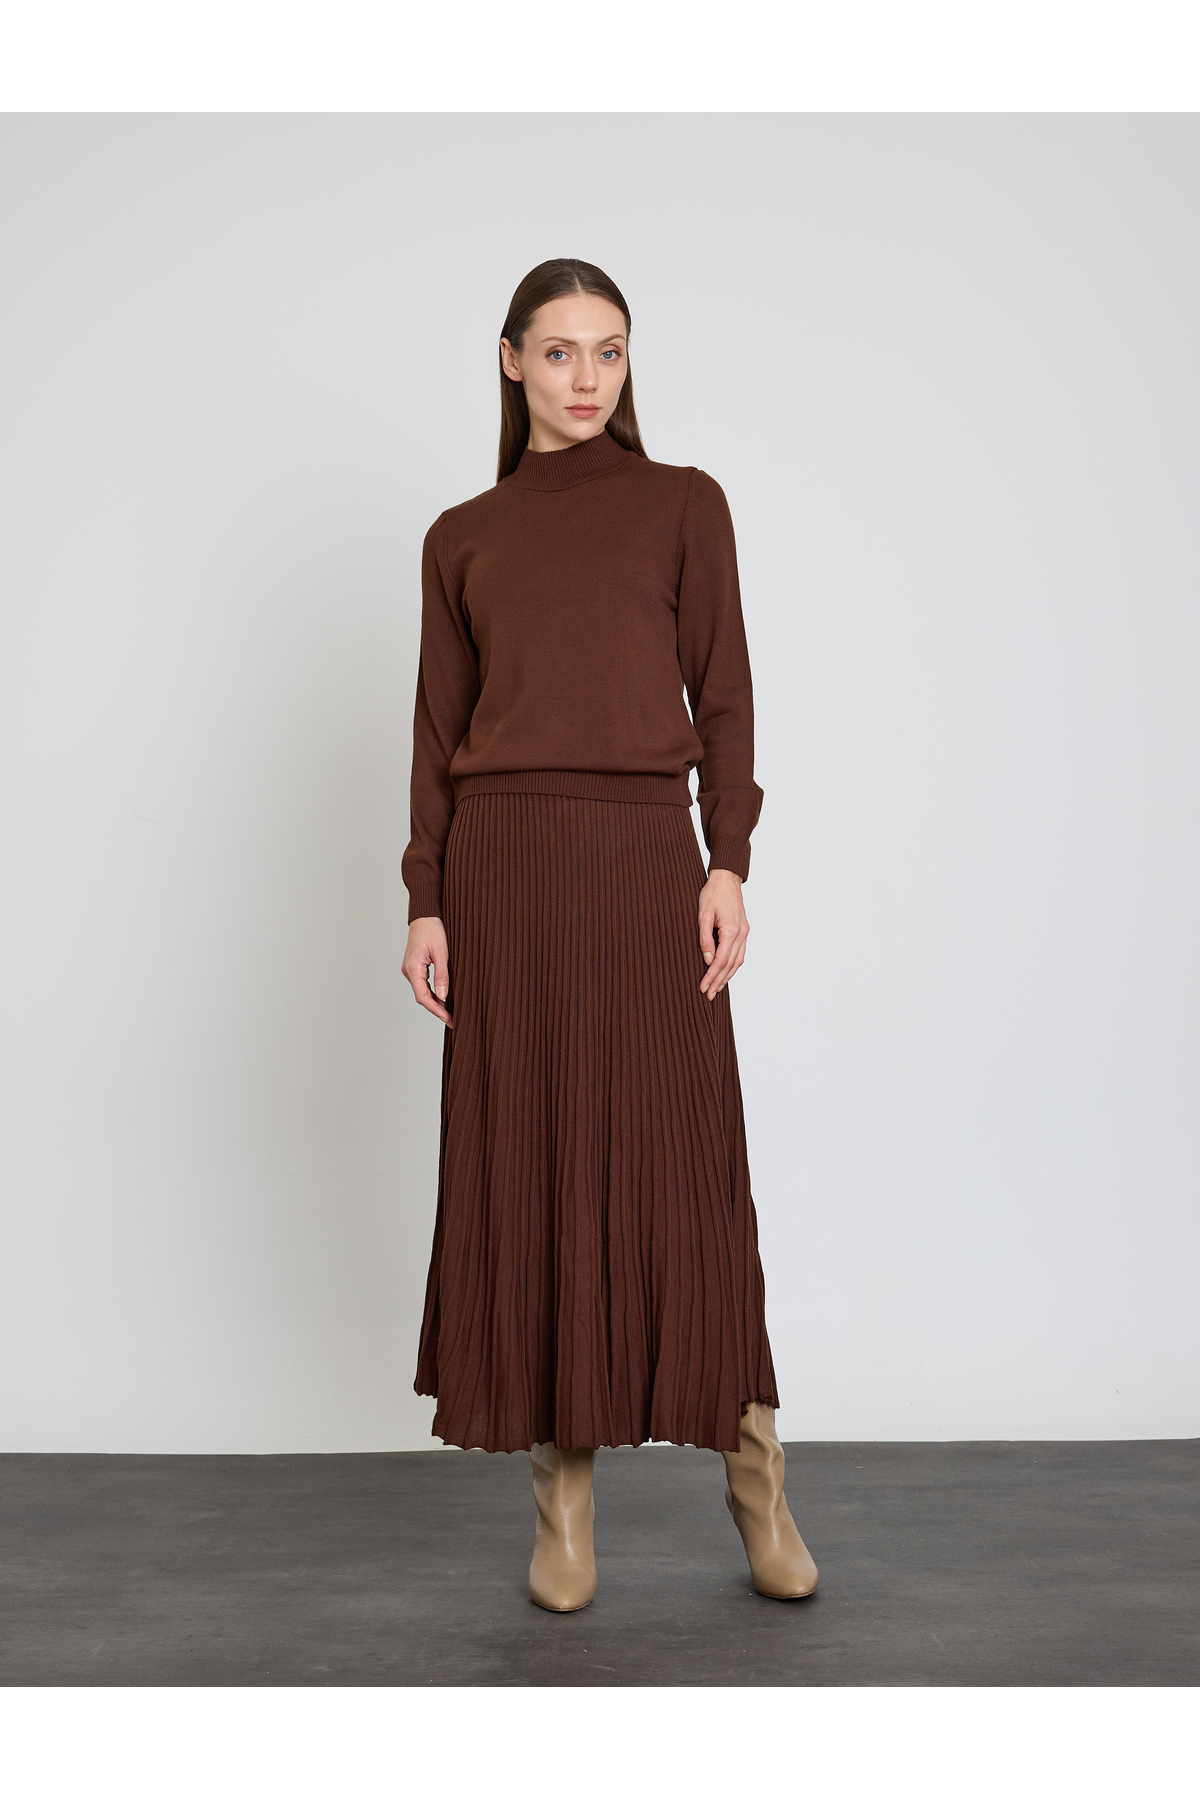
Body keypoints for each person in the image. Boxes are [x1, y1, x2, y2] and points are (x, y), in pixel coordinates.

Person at [400, 258, 817, 1611]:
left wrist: (727, 859)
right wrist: (425, 894)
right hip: (506, 869)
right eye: (562, 351)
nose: (588, 377)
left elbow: (728, 694)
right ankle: (562, 1509)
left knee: (687, 1173)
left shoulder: (684, 505)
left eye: (612, 351)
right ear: (511, 359)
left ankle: (756, 1480)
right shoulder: (461, 537)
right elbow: (438, 733)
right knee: (535, 1170)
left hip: (644, 858)